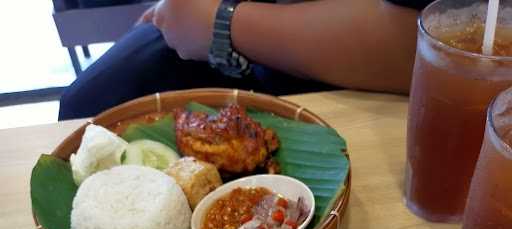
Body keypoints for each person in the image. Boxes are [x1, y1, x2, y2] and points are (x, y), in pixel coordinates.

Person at [59, 0, 431, 120]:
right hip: (223, 18)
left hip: (336, 65)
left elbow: (414, 45)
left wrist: (221, 24)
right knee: (85, 105)